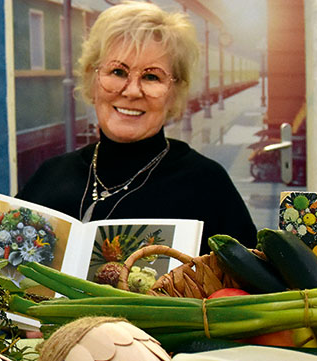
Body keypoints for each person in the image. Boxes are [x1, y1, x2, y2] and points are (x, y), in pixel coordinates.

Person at [17, 1, 257, 254]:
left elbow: (247, 287)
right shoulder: (49, 176)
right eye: (118, 72)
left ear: (174, 92)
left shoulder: (208, 185)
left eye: (152, 77)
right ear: (92, 79)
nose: (132, 91)